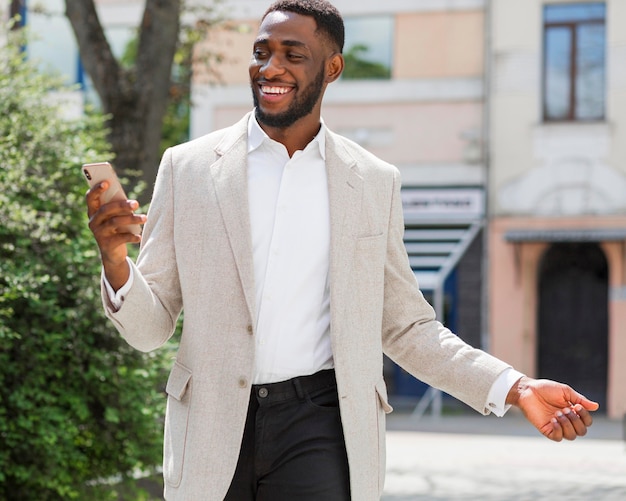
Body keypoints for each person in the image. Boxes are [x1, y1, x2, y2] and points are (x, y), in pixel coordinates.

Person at [86, 1, 599, 499]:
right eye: (262, 51)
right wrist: (116, 264)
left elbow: (406, 327)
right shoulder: (189, 168)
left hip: (321, 426)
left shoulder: (372, 182)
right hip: (211, 428)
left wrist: (516, 387)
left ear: (332, 68)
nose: (271, 67)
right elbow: (151, 330)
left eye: (293, 54)